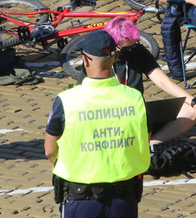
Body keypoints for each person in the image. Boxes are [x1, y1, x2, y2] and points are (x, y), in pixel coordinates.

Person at [45, 30, 149, 217]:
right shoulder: (135, 98)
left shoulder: (66, 100)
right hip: (125, 197)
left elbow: (50, 150)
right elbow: (145, 139)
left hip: (81, 198)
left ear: (85, 60)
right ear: (115, 57)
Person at [104, 16, 196, 143]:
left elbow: (162, 80)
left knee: (190, 110)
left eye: (134, 45)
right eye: (126, 49)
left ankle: (152, 145)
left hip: (137, 113)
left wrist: (195, 102)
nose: (131, 51)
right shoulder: (100, 60)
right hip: (111, 116)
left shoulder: (138, 51)